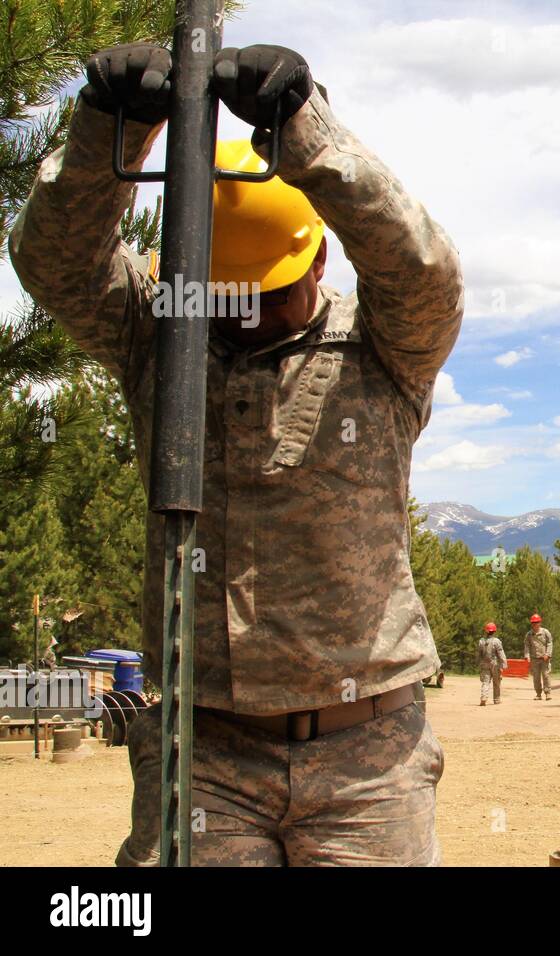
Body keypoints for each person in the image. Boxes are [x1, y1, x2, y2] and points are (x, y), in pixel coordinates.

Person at [10, 43, 464, 865]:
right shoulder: (162, 339)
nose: (244, 313)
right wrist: (108, 131)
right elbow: (53, 261)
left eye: (265, 291)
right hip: (202, 755)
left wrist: (305, 131)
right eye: (226, 294)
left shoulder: (384, 348)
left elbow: (425, 272)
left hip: (367, 765)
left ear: (317, 258)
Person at [522, 614, 553, 700]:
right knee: (536, 677)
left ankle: (548, 693)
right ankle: (538, 694)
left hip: (544, 658)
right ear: (531, 624)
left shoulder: (545, 632)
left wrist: (548, 654)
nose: (535, 624)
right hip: (534, 659)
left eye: (537, 622)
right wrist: (527, 656)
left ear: (540, 623)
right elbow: (527, 645)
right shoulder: (529, 634)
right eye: (533, 622)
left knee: (546, 675)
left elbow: (550, 643)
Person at [477, 623, 507, 706]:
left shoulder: (481, 641)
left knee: (485, 682)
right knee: (496, 682)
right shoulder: (497, 641)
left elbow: (478, 654)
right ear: (494, 631)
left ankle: (483, 698)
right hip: (495, 664)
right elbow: (501, 653)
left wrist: (478, 663)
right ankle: (496, 700)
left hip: (484, 664)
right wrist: (504, 665)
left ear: (486, 631)